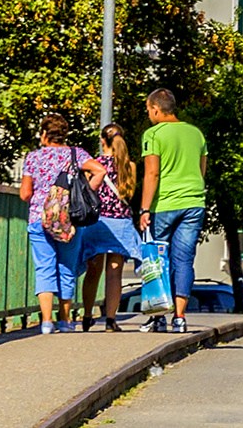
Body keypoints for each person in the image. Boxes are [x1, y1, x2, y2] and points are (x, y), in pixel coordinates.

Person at [137, 87, 211, 332]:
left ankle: (159, 314)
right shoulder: (196, 133)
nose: (149, 114)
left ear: (156, 109)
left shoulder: (153, 134)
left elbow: (152, 173)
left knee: (158, 260)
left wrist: (144, 208)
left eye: (149, 110)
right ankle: (179, 317)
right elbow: (202, 170)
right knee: (184, 260)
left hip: (165, 204)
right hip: (194, 203)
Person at [16, 109, 90, 333]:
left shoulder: (33, 157)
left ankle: (47, 321)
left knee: (44, 267)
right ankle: (66, 320)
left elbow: (25, 194)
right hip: (68, 218)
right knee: (67, 267)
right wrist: (87, 192)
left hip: (40, 218)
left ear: (44, 135)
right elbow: (100, 170)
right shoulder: (77, 154)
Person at [84, 123, 147, 330]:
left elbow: (88, 193)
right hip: (121, 224)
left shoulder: (93, 165)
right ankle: (111, 319)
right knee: (114, 273)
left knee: (93, 271)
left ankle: (86, 315)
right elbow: (128, 195)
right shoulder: (130, 167)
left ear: (103, 141)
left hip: (97, 222)